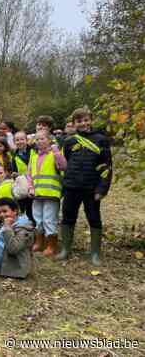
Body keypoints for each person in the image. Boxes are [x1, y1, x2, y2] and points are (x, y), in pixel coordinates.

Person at [58, 107, 112, 266]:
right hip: (72, 186)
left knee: (94, 218)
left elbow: (106, 166)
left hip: (91, 188)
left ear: (91, 120)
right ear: (74, 123)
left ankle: (95, 252)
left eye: (86, 120)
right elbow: (66, 162)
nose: (83, 123)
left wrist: (102, 189)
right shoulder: (69, 141)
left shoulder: (101, 139)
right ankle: (66, 249)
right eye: (79, 121)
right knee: (68, 217)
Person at [27, 131, 67, 257]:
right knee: (38, 218)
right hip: (37, 194)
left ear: (49, 140)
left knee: (49, 220)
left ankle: (51, 245)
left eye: (42, 139)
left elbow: (63, 166)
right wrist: (30, 187)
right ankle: (40, 242)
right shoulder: (33, 156)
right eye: (37, 139)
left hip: (51, 193)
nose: (39, 141)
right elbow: (29, 175)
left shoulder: (54, 154)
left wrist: (56, 151)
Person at [11, 131, 34, 223]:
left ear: (26, 140)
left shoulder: (33, 151)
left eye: (22, 139)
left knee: (33, 207)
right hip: (23, 185)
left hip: (33, 182)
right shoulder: (15, 156)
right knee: (24, 207)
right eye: (17, 140)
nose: (20, 142)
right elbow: (15, 170)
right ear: (14, 142)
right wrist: (15, 175)